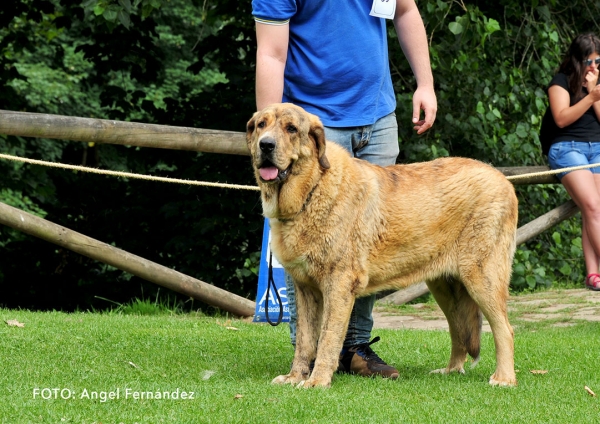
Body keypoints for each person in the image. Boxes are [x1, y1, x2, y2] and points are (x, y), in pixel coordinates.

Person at [252, 0, 437, 378]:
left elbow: (405, 11)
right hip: (312, 127)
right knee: (304, 242)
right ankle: (309, 357)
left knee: (370, 241)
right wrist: (272, 136)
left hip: (378, 117)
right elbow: (271, 53)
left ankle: (355, 348)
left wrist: (426, 84)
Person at [541, 33, 600, 291]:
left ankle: (593, 274)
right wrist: (589, 97)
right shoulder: (560, 82)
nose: (594, 67)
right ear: (577, 60)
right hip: (567, 148)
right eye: (589, 61)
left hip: (597, 148)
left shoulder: (597, 84)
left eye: (599, 61)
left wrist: (593, 91)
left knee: (595, 211)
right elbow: (561, 118)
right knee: (593, 206)